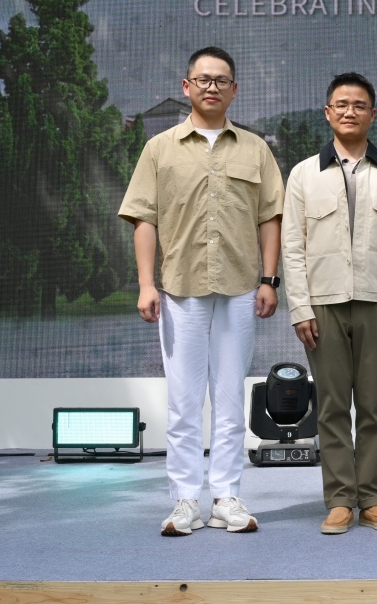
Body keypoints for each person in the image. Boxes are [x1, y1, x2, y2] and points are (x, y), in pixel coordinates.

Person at [119, 46, 284, 536]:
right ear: (187, 86)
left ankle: (226, 496)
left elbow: (270, 218)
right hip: (179, 290)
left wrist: (269, 280)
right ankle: (185, 500)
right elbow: (144, 218)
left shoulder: (255, 149)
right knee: (184, 403)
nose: (212, 87)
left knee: (230, 400)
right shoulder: (160, 148)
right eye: (203, 79)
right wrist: (146, 284)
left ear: (234, 90)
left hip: (239, 289)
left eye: (221, 80)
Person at [282, 72, 377, 535]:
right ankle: (340, 499)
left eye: (359, 105)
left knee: (374, 406)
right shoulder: (303, 174)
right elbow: (293, 247)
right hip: (324, 303)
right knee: (333, 407)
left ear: (372, 114)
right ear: (327, 112)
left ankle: (374, 500)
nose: (349, 112)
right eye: (341, 104)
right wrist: (301, 307)